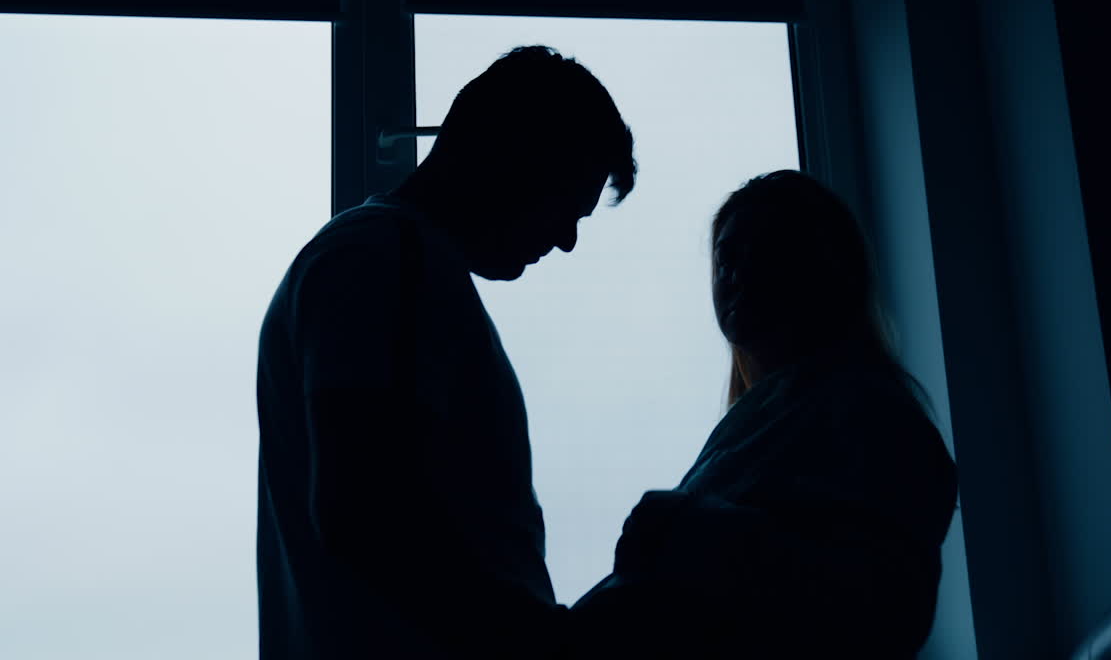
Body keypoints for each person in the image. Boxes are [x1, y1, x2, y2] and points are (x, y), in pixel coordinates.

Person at [255, 46, 636, 659]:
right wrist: (546, 642)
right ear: (506, 153)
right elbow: (361, 514)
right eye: (565, 206)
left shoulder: (390, 261)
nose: (565, 241)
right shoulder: (382, 262)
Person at [570, 170, 959, 658]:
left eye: (771, 252)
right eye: (728, 256)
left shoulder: (875, 418)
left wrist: (693, 529)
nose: (738, 272)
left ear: (827, 269)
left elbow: (885, 611)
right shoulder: (758, 422)